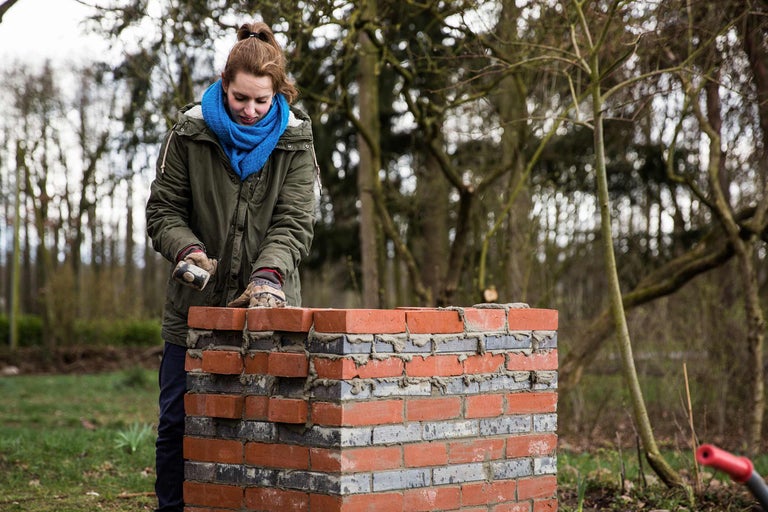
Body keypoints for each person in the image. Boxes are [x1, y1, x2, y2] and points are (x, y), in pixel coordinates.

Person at [145, 21, 317, 512]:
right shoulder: (190, 132)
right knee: (179, 422)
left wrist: (268, 277)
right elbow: (163, 212)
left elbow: (294, 222)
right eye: (241, 98)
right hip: (193, 309)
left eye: (261, 101)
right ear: (225, 84)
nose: (250, 110)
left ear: (278, 94)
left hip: (270, 306)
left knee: (270, 424)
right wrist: (187, 251)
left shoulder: (296, 141)